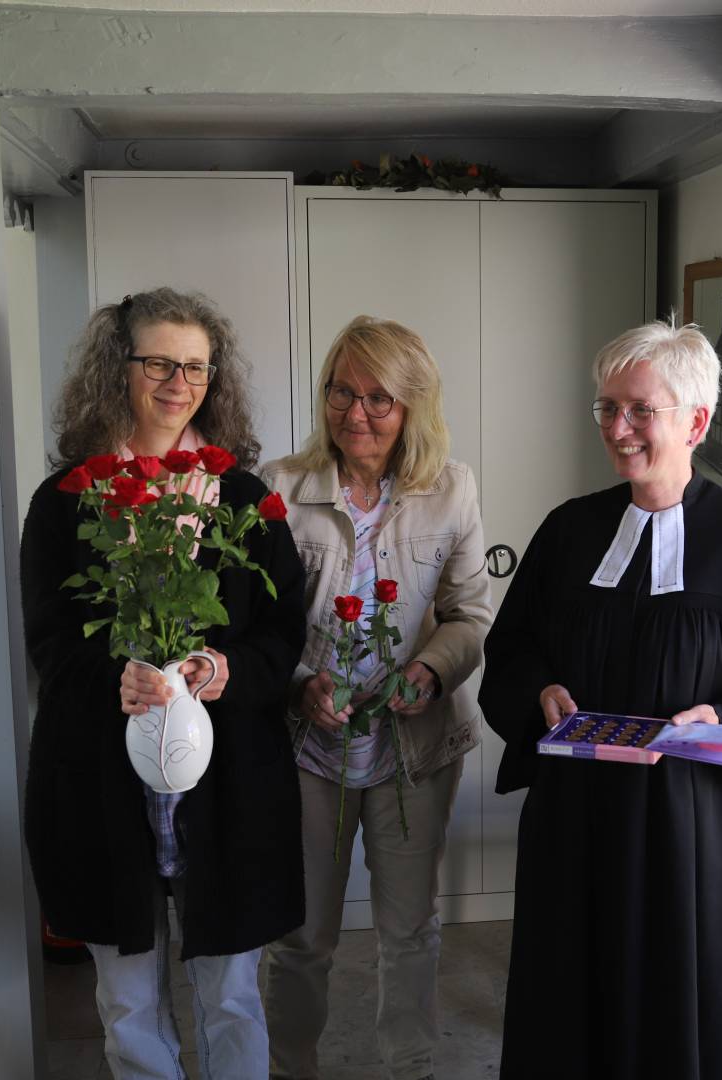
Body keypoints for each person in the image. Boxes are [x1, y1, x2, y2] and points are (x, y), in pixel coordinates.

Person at [479, 320, 722, 1080]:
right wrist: (539, 689)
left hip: (698, 835)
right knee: (571, 1004)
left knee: (692, 1018)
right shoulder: (568, 531)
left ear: (696, 422)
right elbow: (510, 651)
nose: (619, 428)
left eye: (641, 410)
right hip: (578, 827)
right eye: (607, 408)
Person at [22, 287, 307, 1080]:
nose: (179, 383)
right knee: (128, 1006)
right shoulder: (65, 502)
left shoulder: (244, 502)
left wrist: (222, 668)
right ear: (118, 370)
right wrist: (115, 679)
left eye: (196, 368)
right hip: (101, 783)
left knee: (233, 999)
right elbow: (48, 637)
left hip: (228, 785)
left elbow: (284, 633)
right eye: (159, 363)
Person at [269, 315, 492, 1080]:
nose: (354, 414)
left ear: (412, 407)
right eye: (341, 391)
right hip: (306, 750)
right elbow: (254, 624)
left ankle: (412, 1067)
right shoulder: (280, 488)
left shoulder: (451, 488)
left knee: (409, 929)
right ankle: (290, 1067)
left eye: (378, 399)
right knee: (301, 937)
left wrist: (429, 671)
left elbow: (470, 615)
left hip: (413, 749)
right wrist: (301, 685)